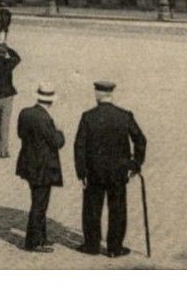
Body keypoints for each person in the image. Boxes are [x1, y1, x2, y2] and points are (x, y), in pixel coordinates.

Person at [73, 80, 147, 257]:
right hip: (118, 172)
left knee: (92, 208)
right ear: (111, 95)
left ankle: (91, 245)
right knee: (118, 209)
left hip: (94, 172)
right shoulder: (125, 115)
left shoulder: (88, 116)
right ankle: (114, 248)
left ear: (97, 95)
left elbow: (79, 146)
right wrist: (135, 164)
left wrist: (81, 171)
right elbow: (141, 140)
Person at [16, 81, 65, 252]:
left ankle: (41, 237)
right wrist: (59, 131)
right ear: (50, 101)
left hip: (28, 164)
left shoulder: (25, 113)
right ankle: (34, 241)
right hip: (43, 167)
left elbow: (20, 134)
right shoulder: (45, 119)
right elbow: (57, 142)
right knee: (40, 204)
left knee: (38, 200)